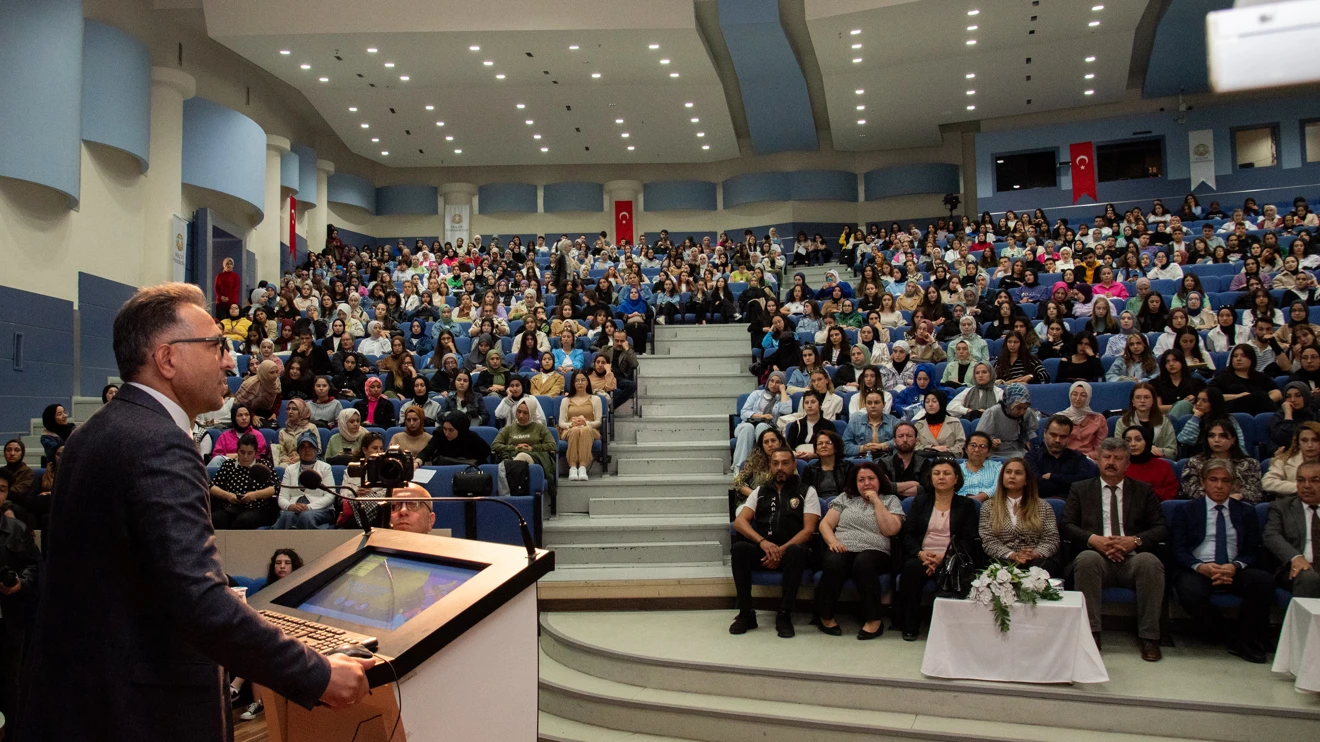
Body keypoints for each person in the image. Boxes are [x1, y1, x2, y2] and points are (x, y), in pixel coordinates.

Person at [19, 284, 372, 742]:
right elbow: (196, 602)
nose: (229, 361)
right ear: (167, 359)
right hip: (139, 714)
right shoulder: (160, 442)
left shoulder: (95, 432)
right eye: (216, 347)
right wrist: (318, 672)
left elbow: (133, 574)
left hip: (80, 704)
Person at [1062, 437, 1168, 661]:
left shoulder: (1143, 490)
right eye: (1107, 457)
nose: (1112, 462)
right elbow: (1067, 526)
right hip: (1097, 558)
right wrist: (1094, 540)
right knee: (1087, 559)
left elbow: (1161, 528)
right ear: (1098, 461)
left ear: (1127, 464)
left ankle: (1149, 637)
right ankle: (1091, 634)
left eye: (1118, 458)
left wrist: (1134, 541)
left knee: (1149, 562)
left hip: (1132, 560)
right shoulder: (1081, 489)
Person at [1169, 460, 1274, 663]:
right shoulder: (1187, 510)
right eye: (1213, 480)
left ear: (1233, 484)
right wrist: (1201, 566)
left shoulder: (1246, 511)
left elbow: (1253, 550)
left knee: (1263, 582)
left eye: (1225, 481)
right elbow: (1178, 549)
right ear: (1203, 482)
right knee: (1190, 592)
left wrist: (1235, 566)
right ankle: (1231, 635)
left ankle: (1246, 635)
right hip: (1198, 567)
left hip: (1234, 567)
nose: (1219, 485)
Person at [728, 449, 821, 638]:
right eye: (775, 463)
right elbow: (740, 522)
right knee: (739, 549)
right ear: (770, 466)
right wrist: (763, 543)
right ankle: (746, 613)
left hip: (792, 551)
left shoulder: (807, 491)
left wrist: (780, 550)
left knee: (796, 551)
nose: (780, 467)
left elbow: (808, 530)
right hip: (764, 549)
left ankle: (785, 614)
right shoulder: (759, 492)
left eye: (785, 463)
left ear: (794, 466)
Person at [814, 462, 904, 640]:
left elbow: (891, 530)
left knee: (863, 563)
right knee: (834, 562)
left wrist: (876, 501)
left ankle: (873, 620)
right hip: (843, 545)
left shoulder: (891, 500)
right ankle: (825, 616)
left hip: (876, 550)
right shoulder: (844, 498)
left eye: (871, 478)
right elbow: (825, 524)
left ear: (880, 480)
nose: (866, 483)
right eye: (861, 480)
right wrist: (832, 542)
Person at [897, 460, 980, 640]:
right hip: (923, 555)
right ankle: (909, 625)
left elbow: (969, 539)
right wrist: (921, 554)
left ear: (956, 478)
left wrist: (945, 557)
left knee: (955, 570)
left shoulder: (966, 505)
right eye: (936, 473)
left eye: (946, 473)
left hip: (953, 556)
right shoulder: (920, 502)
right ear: (930, 478)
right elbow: (908, 535)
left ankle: (952, 629)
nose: (941, 477)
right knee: (911, 568)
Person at [0, 469, 39, 726]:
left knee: (8, 684)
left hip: (9, 619)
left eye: (1, 488)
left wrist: (19, 584)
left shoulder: (17, 528)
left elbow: (35, 566)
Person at [979, 457, 1062, 576]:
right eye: (1008, 472)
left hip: (1036, 560)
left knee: (1040, 569)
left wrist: (1034, 553)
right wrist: (1013, 555)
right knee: (998, 569)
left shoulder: (1043, 506)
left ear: (1026, 480)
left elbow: (1051, 539)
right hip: (1003, 559)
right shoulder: (989, 506)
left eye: (1018, 473)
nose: (1012, 476)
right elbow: (988, 540)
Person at [1262, 461, 1320, 598]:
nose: (1306, 486)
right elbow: (1271, 535)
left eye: (1314, 480)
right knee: (1308, 577)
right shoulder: (1281, 508)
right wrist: (1295, 557)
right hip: (1296, 568)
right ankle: (1303, 620)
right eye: (1301, 480)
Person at [1180, 420, 1264, 503]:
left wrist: (1239, 496)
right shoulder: (1195, 462)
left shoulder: (1250, 463)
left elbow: (1256, 493)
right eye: (1211, 436)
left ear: (1233, 439)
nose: (1216, 440)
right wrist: (1218, 499)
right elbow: (1190, 490)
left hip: (1239, 507)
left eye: (1222, 436)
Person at [208, 434, 279, 529]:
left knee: (244, 521)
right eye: (242, 452)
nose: (245, 456)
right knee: (214, 520)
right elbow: (212, 487)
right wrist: (228, 495)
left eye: (249, 453)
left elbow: (276, 488)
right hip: (230, 507)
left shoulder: (264, 465)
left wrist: (255, 495)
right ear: (237, 451)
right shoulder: (228, 465)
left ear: (256, 453)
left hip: (257, 508)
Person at [1026, 415, 1100, 500]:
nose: (1057, 440)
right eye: (1053, 435)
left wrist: (1052, 476)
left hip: (1072, 506)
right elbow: (1035, 484)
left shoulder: (1078, 458)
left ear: (1069, 438)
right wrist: (1068, 481)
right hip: (1038, 506)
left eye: (1063, 437)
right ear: (1045, 433)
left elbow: (1083, 483)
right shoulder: (1031, 457)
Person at [272, 432, 336, 529]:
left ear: (316, 449)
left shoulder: (325, 468)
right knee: (287, 515)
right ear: (298, 450)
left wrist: (309, 507)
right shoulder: (290, 469)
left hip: (319, 509)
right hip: (294, 508)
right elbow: (282, 497)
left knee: (306, 516)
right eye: (303, 447)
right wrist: (290, 506)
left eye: (310, 446)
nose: (307, 450)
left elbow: (330, 496)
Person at [732, 372, 793, 471]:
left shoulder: (784, 398)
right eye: (772, 381)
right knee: (748, 428)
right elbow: (744, 413)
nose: (774, 384)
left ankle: (763, 465)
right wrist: (762, 416)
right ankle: (740, 467)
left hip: (768, 428)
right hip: (747, 425)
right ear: (768, 381)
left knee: (762, 427)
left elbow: (786, 410)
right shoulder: (756, 394)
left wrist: (782, 391)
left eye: (778, 382)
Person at [491, 398, 557, 475]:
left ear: (531, 413)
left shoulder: (540, 428)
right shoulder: (508, 429)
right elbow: (494, 445)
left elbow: (552, 446)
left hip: (535, 458)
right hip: (511, 458)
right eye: (519, 411)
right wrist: (514, 448)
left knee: (522, 456)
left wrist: (532, 448)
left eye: (525, 413)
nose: (521, 415)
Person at [559, 371, 603, 481]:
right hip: (569, 429)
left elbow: (598, 421)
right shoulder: (565, 400)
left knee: (586, 430)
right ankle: (573, 467)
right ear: (573, 383)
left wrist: (586, 423)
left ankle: (583, 467)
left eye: (583, 380)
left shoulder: (596, 399)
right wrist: (571, 424)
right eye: (577, 380)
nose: (580, 383)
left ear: (587, 382)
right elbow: (561, 422)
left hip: (590, 429)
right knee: (575, 431)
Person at [975, 383, 1039, 458]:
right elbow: (979, 437)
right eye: (1018, 408)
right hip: (995, 452)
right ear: (1009, 404)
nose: (1022, 412)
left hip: (1018, 449)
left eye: (1024, 408)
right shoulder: (993, 412)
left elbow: (1031, 431)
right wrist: (991, 441)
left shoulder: (1028, 413)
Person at [1122, 425, 1179, 501]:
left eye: (1138, 440)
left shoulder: (1163, 466)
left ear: (1147, 442)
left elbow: (1171, 493)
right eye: (1128, 441)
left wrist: (1143, 494)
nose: (1133, 444)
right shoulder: (1119, 466)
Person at [1264, 421, 1320, 498]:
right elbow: (1268, 482)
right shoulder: (1283, 461)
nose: (1309, 445)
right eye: (1304, 440)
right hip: (1290, 506)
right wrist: (1301, 488)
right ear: (1298, 443)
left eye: (1315, 440)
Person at [417, 411, 492, 466]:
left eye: (451, 430)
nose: (446, 433)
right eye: (445, 429)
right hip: (443, 468)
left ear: (460, 429)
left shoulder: (472, 437)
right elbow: (428, 450)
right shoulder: (440, 433)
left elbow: (485, 453)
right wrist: (417, 462)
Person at [843, 390, 901, 458]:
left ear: (884, 404)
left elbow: (902, 440)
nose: (873, 406)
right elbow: (845, 446)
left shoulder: (895, 422)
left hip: (888, 459)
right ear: (865, 405)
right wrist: (863, 448)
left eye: (877, 402)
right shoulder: (854, 423)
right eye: (869, 403)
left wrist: (883, 446)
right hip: (862, 460)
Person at [1061, 382, 1107, 460]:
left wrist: (1085, 458)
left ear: (1088, 397)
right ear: (1070, 395)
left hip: (1090, 460)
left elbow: (1100, 448)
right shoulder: (1059, 418)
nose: (1078, 398)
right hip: (1065, 459)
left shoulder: (1098, 419)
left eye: (1083, 395)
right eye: (1074, 394)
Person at [913, 390, 965, 456]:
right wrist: (932, 448)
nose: (930, 405)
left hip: (949, 461)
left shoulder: (954, 423)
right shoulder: (919, 425)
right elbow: (915, 446)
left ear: (942, 402)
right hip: (925, 462)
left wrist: (947, 450)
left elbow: (961, 446)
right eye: (927, 401)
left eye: (934, 401)